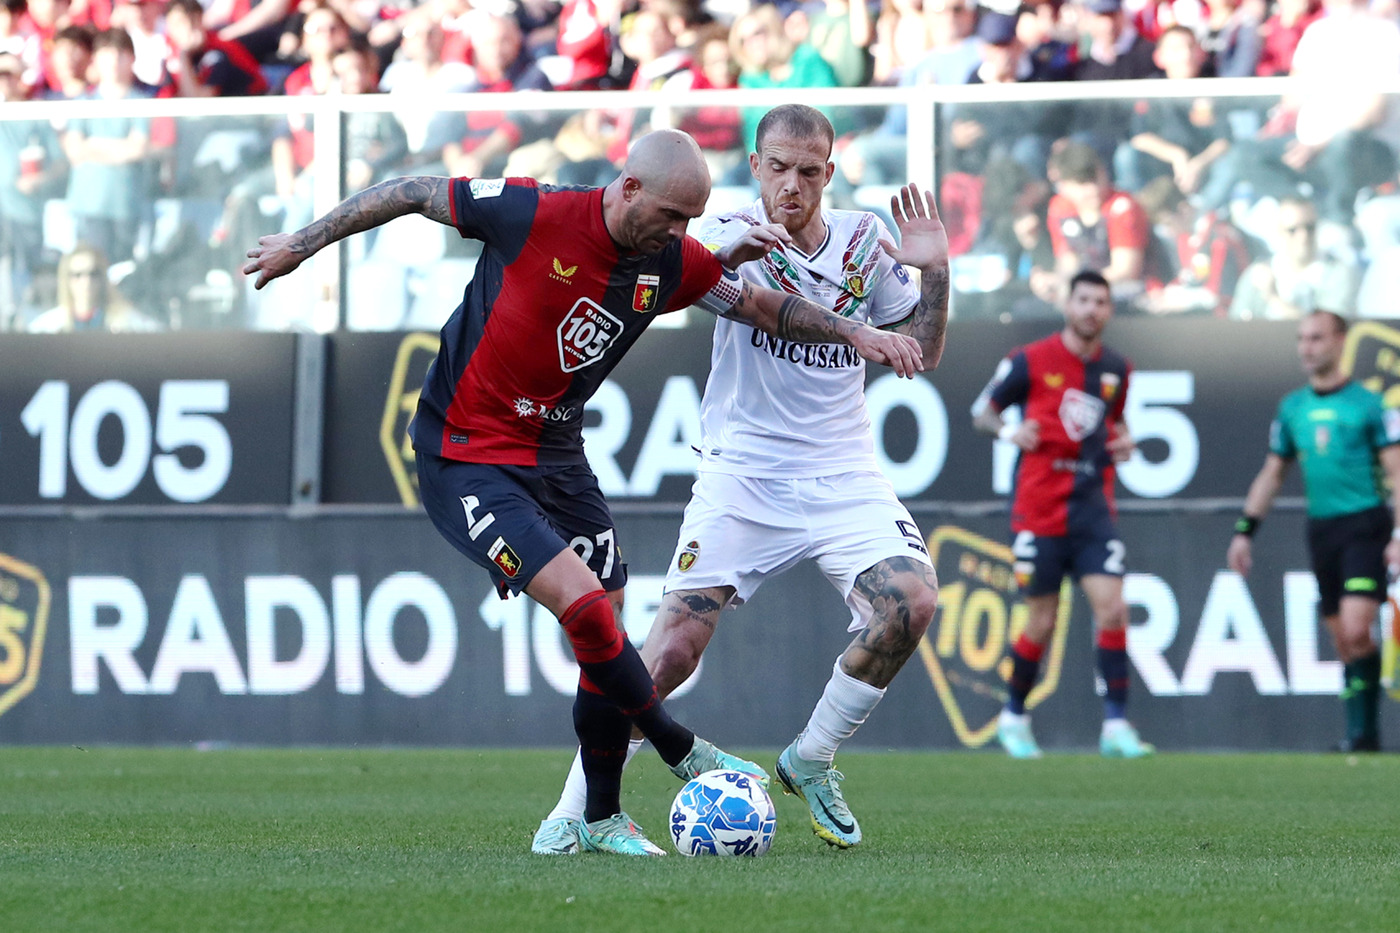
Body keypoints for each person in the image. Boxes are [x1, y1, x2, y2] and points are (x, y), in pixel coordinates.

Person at [243, 128, 927, 856]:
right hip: (468, 452)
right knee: (588, 607)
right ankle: (677, 746)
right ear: (629, 188)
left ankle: (595, 818)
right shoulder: (532, 212)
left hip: (557, 455)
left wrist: (855, 333)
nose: (681, 235)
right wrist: (302, 244)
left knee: (610, 623)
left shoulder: (670, 259)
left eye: (691, 222)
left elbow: (763, 308)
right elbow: (411, 191)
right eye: (671, 216)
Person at [532, 104, 948, 855]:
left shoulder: (864, 242)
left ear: (830, 171)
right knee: (671, 650)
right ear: (755, 166)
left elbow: (923, 351)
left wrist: (936, 271)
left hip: (843, 471)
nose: (792, 185)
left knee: (912, 600)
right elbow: (731, 296)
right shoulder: (725, 235)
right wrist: (742, 265)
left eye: (809, 172)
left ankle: (811, 759)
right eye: (778, 168)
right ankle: (574, 810)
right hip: (743, 473)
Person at [971, 269, 1154, 759]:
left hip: (1093, 509)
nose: (1092, 309)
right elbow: (983, 412)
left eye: (1101, 302)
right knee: (1042, 620)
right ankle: (1013, 717)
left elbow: (1115, 424)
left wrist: (1125, 441)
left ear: (1109, 311)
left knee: (1113, 609)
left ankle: (1116, 727)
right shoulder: (1030, 359)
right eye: (1084, 300)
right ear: (1068, 305)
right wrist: (1009, 432)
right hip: (1040, 509)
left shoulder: (1118, 369)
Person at [1227, 311, 1400, 752]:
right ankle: (1361, 734)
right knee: (1343, 638)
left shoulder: (1370, 405)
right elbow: (1273, 473)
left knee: (1358, 628)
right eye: (1302, 338)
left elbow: (1396, 473)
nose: (1307, 347)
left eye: (1317, 338)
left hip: (1365, 524)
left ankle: (1363, 734)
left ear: (1340, 341)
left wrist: (1399, 535)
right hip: (1322, 530)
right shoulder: (1293, 408)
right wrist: (1245, 530)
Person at [28, 241, 161, 331]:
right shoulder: (49, 326)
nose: (86, 282)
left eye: (93, 274)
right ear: (66, 279)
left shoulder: (127, 322)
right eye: (77, 275)